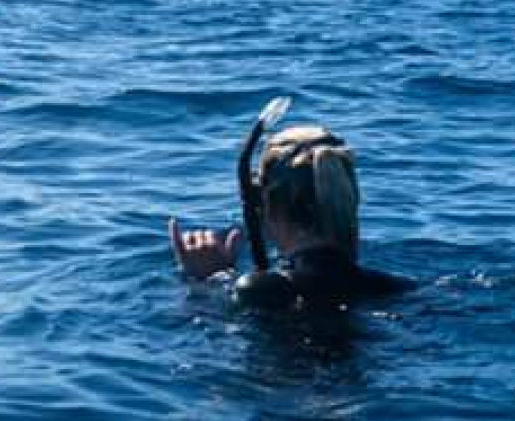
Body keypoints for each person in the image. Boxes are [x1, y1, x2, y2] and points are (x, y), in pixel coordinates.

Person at [169, 123, 413, 308]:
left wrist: (206, 282)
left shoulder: (257, 290)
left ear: (267, 206)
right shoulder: (394, 289)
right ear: (350, 198)